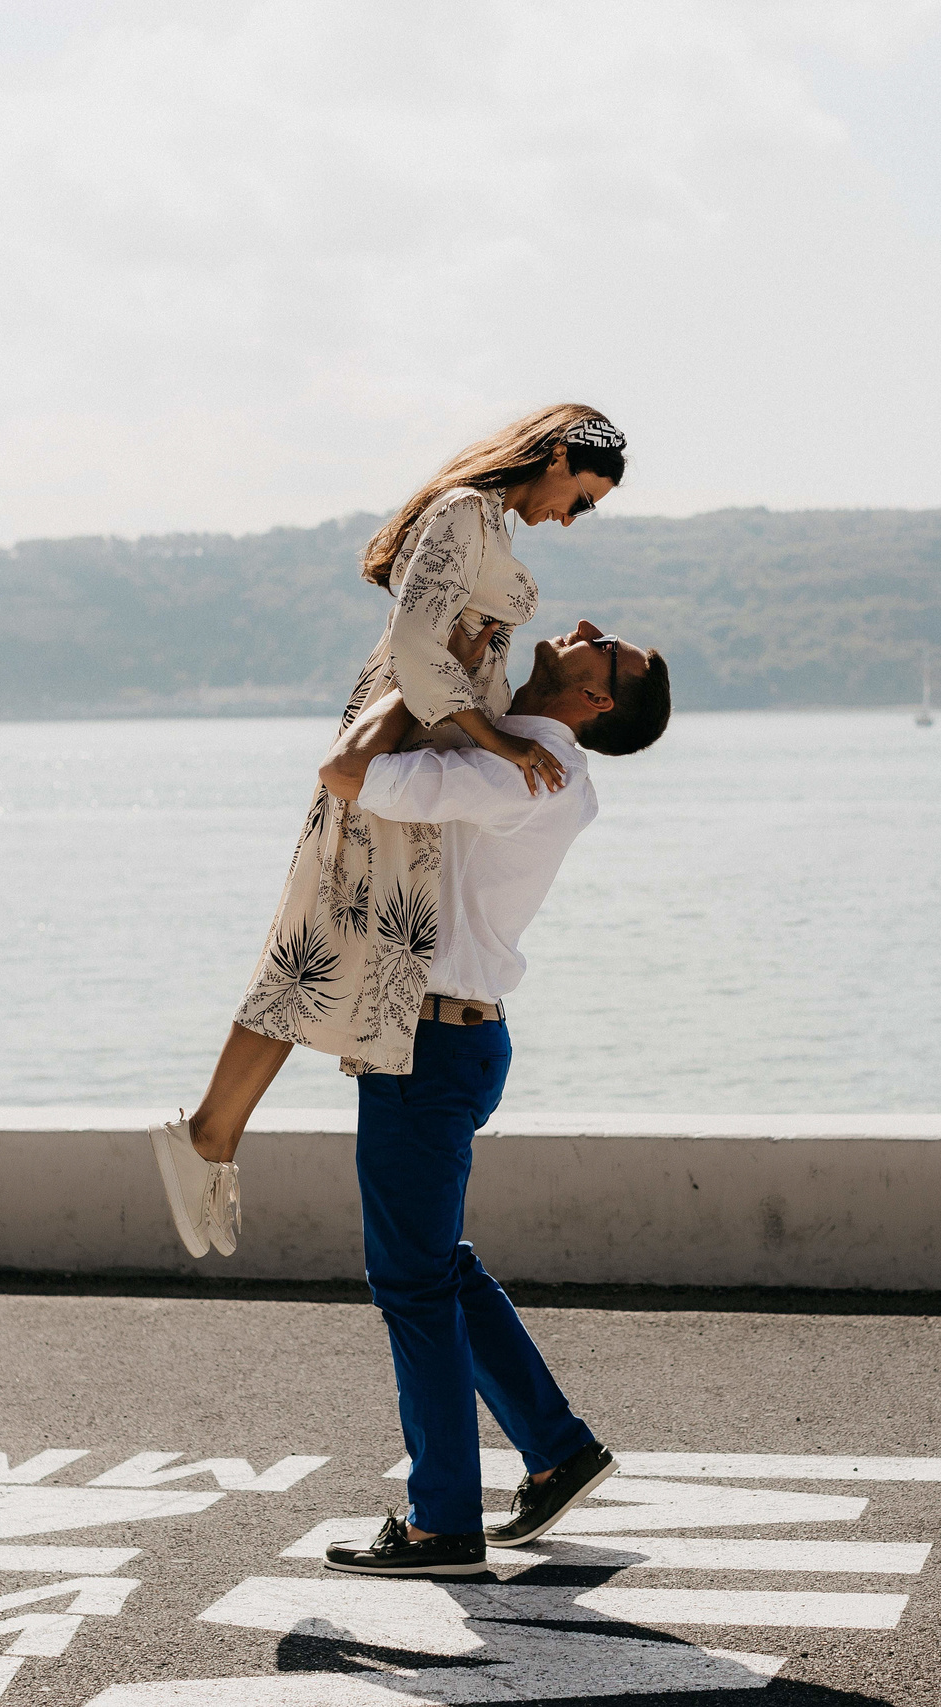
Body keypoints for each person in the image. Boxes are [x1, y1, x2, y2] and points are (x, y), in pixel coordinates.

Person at [153, 405, 629, 1259]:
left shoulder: (486, 524)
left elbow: (448, 640)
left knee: (329, 947)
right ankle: (207, 1137)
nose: (574, 516)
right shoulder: (464, 511)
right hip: (403, 733)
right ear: (556, 455)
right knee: (314, 941)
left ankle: (211, 1137)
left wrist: (492, 725)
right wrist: (498, 740)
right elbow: (415, 641)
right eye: (582, 497)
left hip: (427, 740)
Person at [312, 614, 670, 1575]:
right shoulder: (530, 762)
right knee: (438, 1266)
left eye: (609, 649)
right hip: (459, 1038)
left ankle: (443, 1524)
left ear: (595, 700)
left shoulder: (514, 771)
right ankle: (557, 1452)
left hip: (431, 1046)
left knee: (412, 1284)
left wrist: (430, 676)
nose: (589, 627)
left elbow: (345, 771)